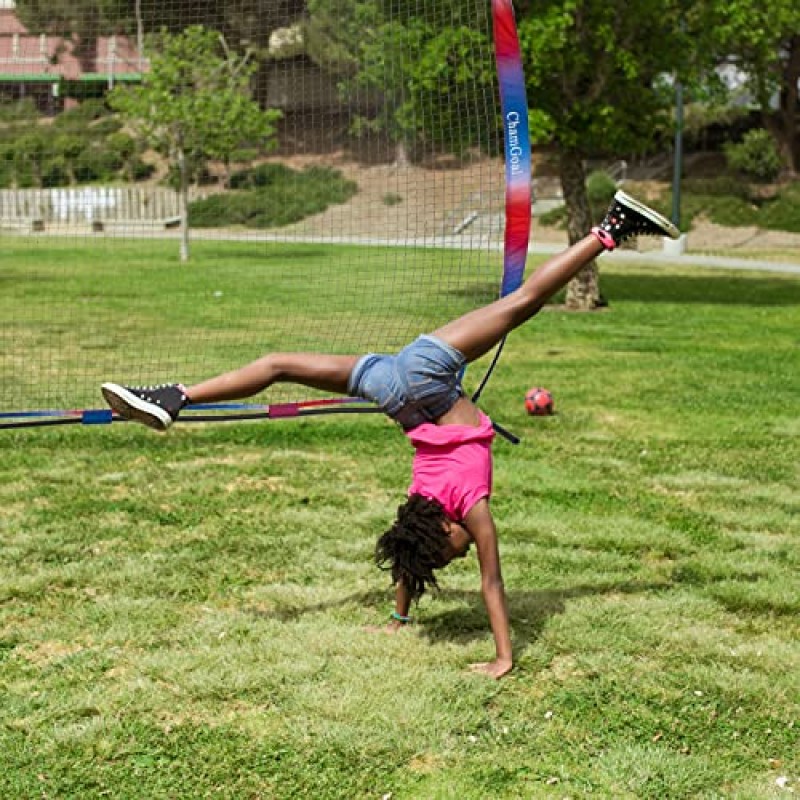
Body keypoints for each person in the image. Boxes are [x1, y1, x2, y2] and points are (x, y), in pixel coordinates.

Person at [101, 191, 679, 679]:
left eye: (452, 550)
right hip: (393, 392)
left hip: (424, 376)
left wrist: (504, 656)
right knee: (277, 363)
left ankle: (612, 227)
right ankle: (177, 396)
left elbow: (492, 585)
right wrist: (399, 615)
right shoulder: (417, 511)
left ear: (448, 528)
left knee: (524, 302)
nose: (460, 553)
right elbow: (408, 556)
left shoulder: (469, 511)